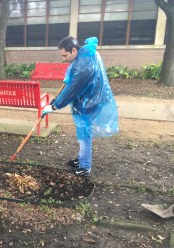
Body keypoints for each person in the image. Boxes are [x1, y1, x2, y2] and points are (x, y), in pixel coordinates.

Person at [42, 36, 119, 177]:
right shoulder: (85, 55)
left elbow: (73, 88)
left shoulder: (84, 65)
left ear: (73, 50)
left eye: (65, 55)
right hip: (88, 99)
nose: (64, 59)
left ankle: (85, 167)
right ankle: (82, 159)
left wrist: (54, 106)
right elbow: (72, 83)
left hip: (89, 102)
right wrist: (54, 100)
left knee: (85, 134)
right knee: (83, 133)